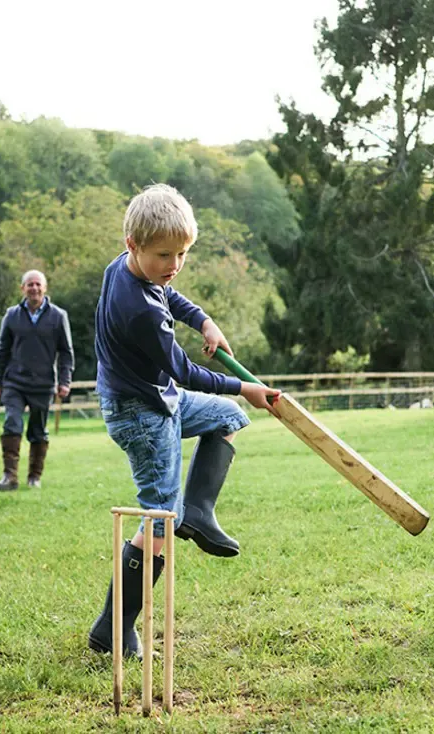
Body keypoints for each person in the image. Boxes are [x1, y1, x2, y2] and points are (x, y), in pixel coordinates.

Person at [86, 184, 278, 657]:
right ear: (133, 243)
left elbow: (167, 293)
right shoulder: (137, 312)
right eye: (164, 255)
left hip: (158, 398)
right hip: (140, 414)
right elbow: (184, 370)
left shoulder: (129, 266)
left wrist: (204, 320)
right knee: (156, 521)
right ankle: (112, 631)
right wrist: (245, 388)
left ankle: (199, 512)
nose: (173, 265)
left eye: (182, 253)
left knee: (227, 420)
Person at [0, 270, 74, 491]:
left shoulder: (58, 316)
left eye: (38, 284)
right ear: (22, 289)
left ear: (45, 288)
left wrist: (65, 381)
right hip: (14, 382)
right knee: (12, 423)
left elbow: (66, 352)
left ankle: (34, 476)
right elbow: (2, 350)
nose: (34, 288)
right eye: (30, 285)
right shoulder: (12, 315)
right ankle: (10, 477)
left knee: (38, 430)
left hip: (43, 384)